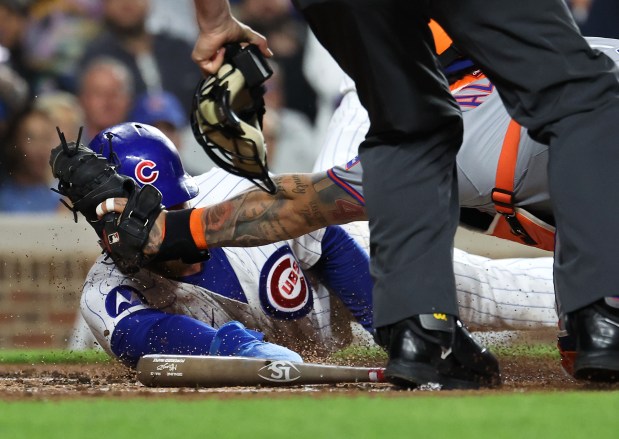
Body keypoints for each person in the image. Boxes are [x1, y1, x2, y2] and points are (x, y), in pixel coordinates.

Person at [187, 0, 619, 388]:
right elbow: (311, 210)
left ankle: (421, 334)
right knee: (581, 100)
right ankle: (600, 312)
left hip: (380, 40)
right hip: (480, 128)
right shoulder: (483, 155)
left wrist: (214, 20)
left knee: (408, 135)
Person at [78, 122, 375, 367]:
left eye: (174, 204)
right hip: (305, 352)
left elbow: (328, 237)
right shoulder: (105, 289)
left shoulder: (234, 190)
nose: (164, 219)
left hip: (360, 266)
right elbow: (141, 334)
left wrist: (385, 318)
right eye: (147, 215)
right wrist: (233, 347)